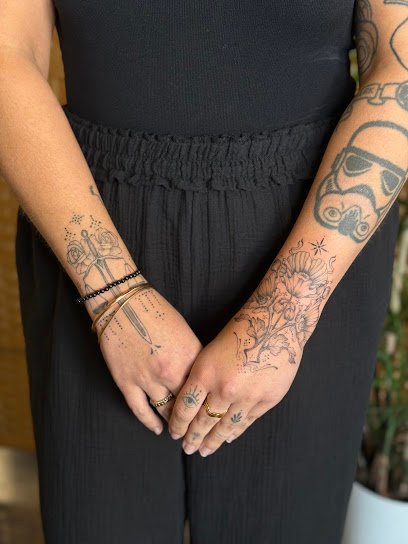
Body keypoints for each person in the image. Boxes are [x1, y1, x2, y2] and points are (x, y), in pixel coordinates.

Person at [1, 0, 407, 542]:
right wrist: (113, 296)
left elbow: (398, 69)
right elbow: (7, 55)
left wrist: (285, 315)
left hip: (312, 241)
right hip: (87, 226)